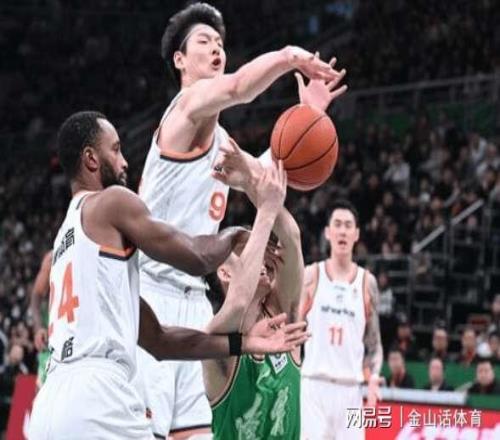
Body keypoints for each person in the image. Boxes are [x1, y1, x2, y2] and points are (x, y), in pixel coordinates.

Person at [28, 111, 308, 440]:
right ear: (91, 159)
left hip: (50, 402)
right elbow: (197, 258)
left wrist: (243, 343)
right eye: (115, 149)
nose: (124, 162)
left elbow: (159, 341)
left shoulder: (68, 241)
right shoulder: (110, 201)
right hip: (97, 395)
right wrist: (234, 234)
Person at [138, 3, 347, 438]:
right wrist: (290, 57)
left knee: (199, 432)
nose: (217, 48)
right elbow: (238, 88)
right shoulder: (185, 108)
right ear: (180, 59)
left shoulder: (222, 143)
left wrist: (310, 115)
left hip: (196, 304)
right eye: (204, 41)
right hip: (150, 295)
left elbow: (271, 176)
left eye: (221, 43)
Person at [203, 146, 303, 439]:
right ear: (224, 272)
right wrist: (266, 212)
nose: (263, 254)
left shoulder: (283, 316)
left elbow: (291, 238)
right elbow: (238, 304)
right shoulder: (216, 339)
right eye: (249, 250)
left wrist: (249, 181)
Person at [299, 200, 383, 440]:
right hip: (313, 386)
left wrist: (373, 378)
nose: (342, 231)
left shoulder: (367, 283)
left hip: (351, 391)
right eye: (337, 224)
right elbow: (293, 331)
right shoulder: (311, 275)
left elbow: (374, 344)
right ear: (328, 232)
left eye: (348, 225)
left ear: (356, 234)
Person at [29, 250, 53, 388]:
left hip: (83, 336)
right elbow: (36, 294)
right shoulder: (53, 256)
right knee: (43, 393)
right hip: (53, 336)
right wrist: (38, 327)